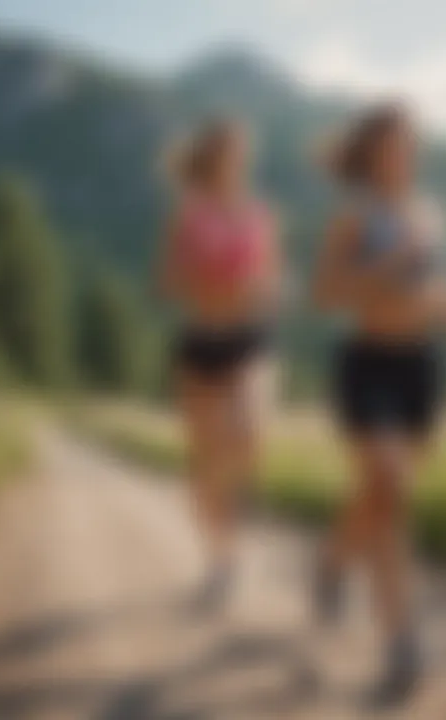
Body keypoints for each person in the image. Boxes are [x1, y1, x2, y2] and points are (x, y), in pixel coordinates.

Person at [312, 102, 446, 706]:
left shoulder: (432, 213)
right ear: (371, 154)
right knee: (390, 486)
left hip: (421, 367)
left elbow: (430, 280)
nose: (402, 153)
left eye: (410, 142)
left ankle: (331, 561)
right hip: (368, 364)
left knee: (382, 494)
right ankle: (402, 642)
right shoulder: (353, 218)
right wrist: (386, 267)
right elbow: (326, 293)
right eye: (391, 144)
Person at [159, 118, 280, 613]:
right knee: (205, 464)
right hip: (202, 341)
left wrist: (262, 289)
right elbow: (168, 281)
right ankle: (220, 558)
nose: (239, 160)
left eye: (243, 152)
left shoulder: (260, 214)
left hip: (249, 338)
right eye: (230, 152)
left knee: (249, 432)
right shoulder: (188, 215)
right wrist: (203, 278)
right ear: (212, 159)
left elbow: (271, 278)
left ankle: (237, 503)